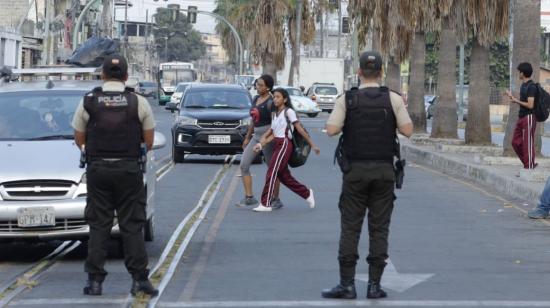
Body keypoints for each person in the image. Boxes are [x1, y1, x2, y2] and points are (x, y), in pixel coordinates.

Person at [322, 51, 413, 299]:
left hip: (355, 172)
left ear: (359, 72)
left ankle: (347, 285)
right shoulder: (392, 99)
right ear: (381, 73)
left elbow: (331, 129)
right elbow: (407, 130)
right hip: (384, 171)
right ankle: (374, 286)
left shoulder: (347, 99)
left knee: (350, 228)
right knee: (379, 229)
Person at [72, 55, 159, 297]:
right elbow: (149, 141)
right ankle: (139, 279)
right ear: (126, 76)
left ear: (102, 75)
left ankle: (95, 282)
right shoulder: (137, 101)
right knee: (132, 225)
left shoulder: (89, 100)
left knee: (99, 225)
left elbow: (79, 137)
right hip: (128, 169)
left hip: (98, 169)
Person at [251, 88, 320, 212]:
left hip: (284, 145)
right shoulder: (275, 114)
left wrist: (313, 145)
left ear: (285, 99)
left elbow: (299, 129)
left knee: (271, 172)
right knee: (284, 177)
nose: (275, 99)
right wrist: (261, 145)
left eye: (278, 97)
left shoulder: (289, 112)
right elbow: (272, 133)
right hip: (278, 144)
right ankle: (306, 193)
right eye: (274, 97)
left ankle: (265, 203)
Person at [238, 75, 284, 209]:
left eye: (261, 85)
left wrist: (266, 139)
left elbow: (275, 124)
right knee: (244, 165)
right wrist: (247, 137)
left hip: (268, 137)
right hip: (255, 135)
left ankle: (276, 199)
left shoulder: (271, 102)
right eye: (257, 85)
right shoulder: (255, 98)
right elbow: (253, 119)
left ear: (268, 87)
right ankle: (249, 197)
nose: (258, 87)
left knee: (272, 168)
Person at [506, 62, 537, 170]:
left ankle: (529, 167)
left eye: (519, 71)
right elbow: (523, 102)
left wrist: (515, 100)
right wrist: (512, 97)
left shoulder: (531, 86)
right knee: (515, 142)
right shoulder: (523, 85)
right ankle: (528, 164)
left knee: (527, 143)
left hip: (529, 117)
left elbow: (530, 105)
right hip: (522, 117)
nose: (518, 73)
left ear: (523, 73)